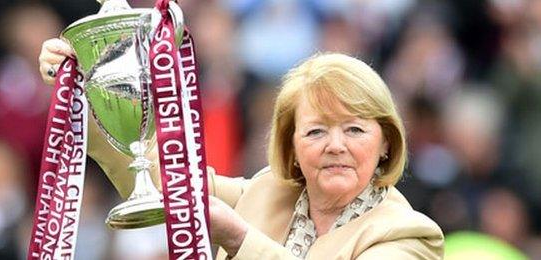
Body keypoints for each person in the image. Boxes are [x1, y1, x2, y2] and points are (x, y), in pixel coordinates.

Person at [39, 39, 444, 259]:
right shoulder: (267, 190)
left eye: (354, 129)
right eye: (316, 131)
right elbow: (158, 179)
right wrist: (86, 94)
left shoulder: (409, 234)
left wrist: (238, 239)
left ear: (387, 141)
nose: (335, 146)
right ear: (292, 144)